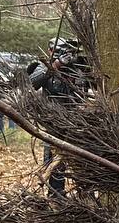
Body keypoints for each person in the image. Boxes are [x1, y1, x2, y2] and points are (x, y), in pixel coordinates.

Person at [27, 38, 89, 195]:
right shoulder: (45, 66)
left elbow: (90, 86)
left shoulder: (79, 67)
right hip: (53, 121)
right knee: (54, 160)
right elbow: (32, 83)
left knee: (83, 159)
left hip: (78, 120)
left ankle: (85, 193)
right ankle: (56, 194)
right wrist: (56, 65)